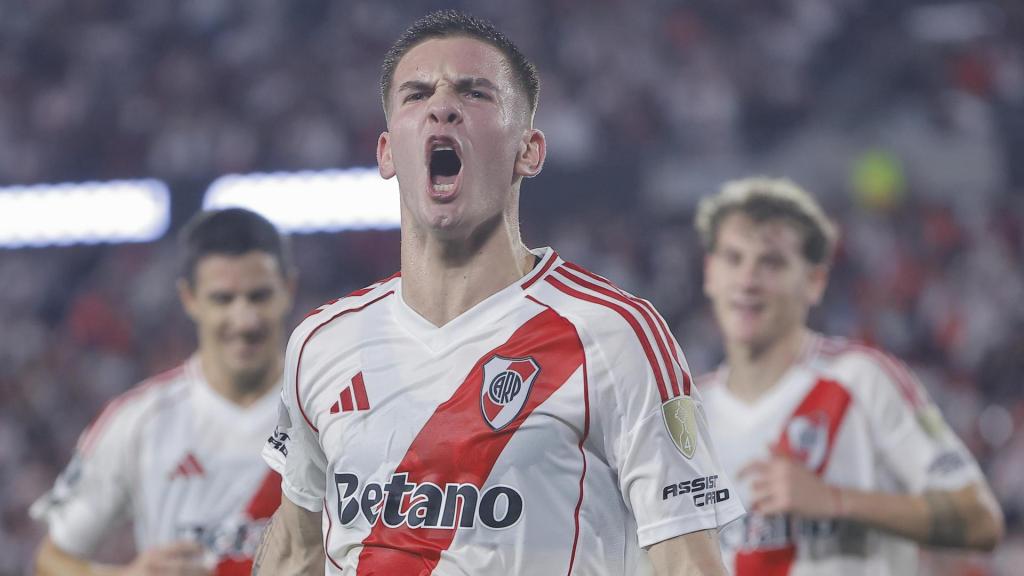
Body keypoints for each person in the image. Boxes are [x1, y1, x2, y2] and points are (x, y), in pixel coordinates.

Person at [254, 9, 744, 576]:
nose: (442, 107)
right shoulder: (320, 343)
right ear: (386, 152)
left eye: (474, 92)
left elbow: (688, 564)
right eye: (417, 94)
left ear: (528, 151)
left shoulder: (613, 335)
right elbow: (294, 551)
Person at [694, 177, 1005, 575]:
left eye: (772, 262)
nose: (747, 280)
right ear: (710, 273)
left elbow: (979, 518)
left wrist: (836, 500)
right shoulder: (689, 412)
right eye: (733, 259)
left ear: (814, 282)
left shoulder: (862, 378)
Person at [32, 208, 296, 576]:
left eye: (259, 296)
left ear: (288, 289)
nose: (244, 320)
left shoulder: (330, 412)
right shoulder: (137, 419)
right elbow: (51, 559)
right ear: (189, 298)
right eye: (223, 299)